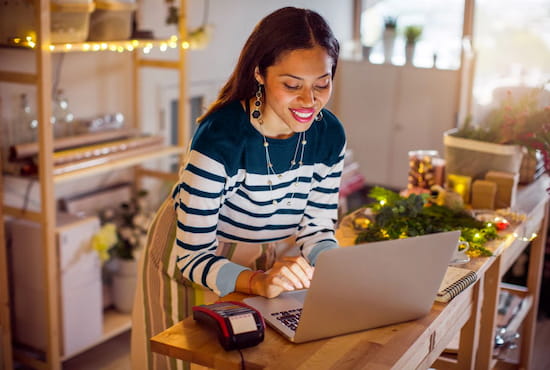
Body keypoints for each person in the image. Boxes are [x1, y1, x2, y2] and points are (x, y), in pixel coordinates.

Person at [131, 6, 346, 369]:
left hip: (263, 257)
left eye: (321, 83)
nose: (309, 101)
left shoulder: (329, 135)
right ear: (259, 73)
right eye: (292, 85)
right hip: (194, 257)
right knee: (189, 359)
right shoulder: (221, 139)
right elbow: (193, 257)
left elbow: (317, 227)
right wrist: (257, 282)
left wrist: (334, 269)